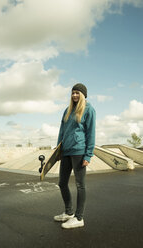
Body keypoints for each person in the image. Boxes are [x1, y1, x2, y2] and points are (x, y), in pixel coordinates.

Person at [54, 83, 96, 229]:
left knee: (80, 185)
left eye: (77, 92)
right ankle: (69, 212)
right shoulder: (68, 110)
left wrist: (88, 155)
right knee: (62, 183)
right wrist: (58, 150)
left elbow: (91, 133)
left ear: (83, 94)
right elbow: (62, 130)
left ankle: (79, 218)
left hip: (79, 151)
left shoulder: (89, 110)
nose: (74, 95)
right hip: (66, 151)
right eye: (72, 93)